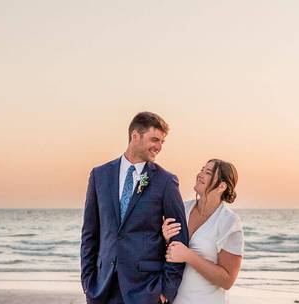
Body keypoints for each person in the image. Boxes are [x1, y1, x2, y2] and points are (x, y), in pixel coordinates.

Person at [81, 112, 190, 304]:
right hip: (102, 287)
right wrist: (88, 282)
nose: (159, 147)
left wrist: (166, 290)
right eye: (154, 139)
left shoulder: (166, 181)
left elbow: (178, 239)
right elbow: (90, 233)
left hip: (145, 289)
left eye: (162, 142)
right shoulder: (100, 175)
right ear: (135, 136)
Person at [162, 160, 243, 304]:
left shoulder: (229, 222)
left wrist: (189, 256)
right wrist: (165, 239)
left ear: (221, 186)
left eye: (208, 173)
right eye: (202, 169)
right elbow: (166, 254)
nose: (200, 175)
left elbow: (227, 280)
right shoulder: (182, 209)